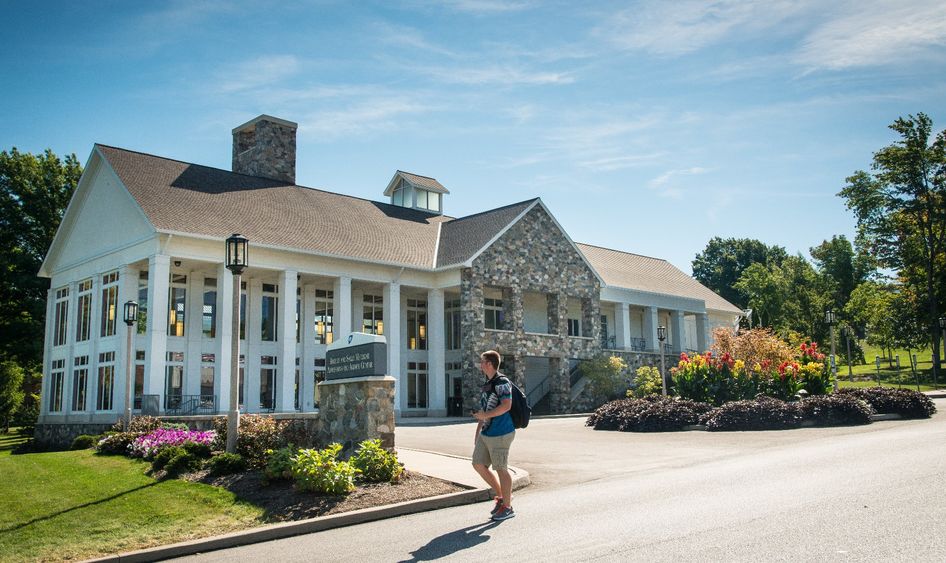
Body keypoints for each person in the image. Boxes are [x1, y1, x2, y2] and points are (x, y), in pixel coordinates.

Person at [471, 350, 516, 521]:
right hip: (487, 433)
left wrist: (484, 416)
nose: (480, 364)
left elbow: (506, 406)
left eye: (482, 361)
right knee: (477, 463)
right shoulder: (487, 384)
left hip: (501, 432)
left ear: (489, 363)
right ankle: (502, 497)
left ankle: (508, 506)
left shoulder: (502, 382)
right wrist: (478, 432)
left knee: (500, 468)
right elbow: (485, 411)